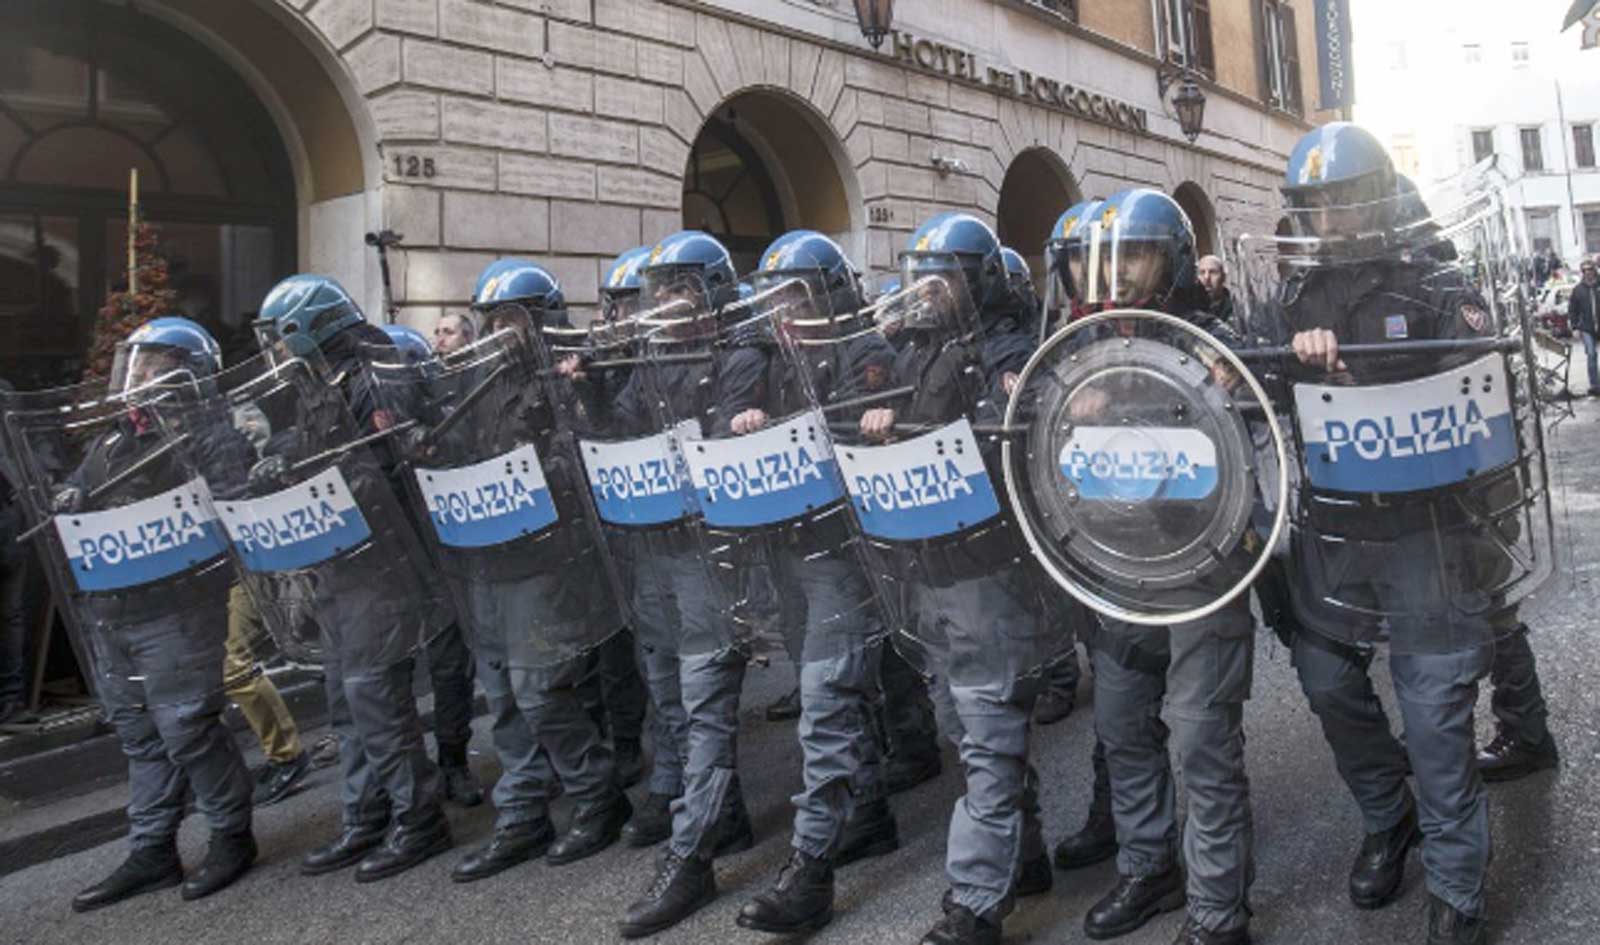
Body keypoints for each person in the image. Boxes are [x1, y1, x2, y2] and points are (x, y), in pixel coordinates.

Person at [1274, 122, 1509, 945]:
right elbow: (1261, 388)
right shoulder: (1293, 294)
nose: (1328, 219)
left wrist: (1359, 372)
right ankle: (1389, 814)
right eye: (1314, 206)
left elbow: (1483, 374)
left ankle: (1455, 880)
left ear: (1373, 198)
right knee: (1328, 681)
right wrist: (1289, 362)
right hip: (1336, 532)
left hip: (1425, 530)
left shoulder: (1435, 281)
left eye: (1341, 200)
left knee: (1435, 708)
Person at [858, 213, 1061, 945]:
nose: (924, 291)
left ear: (974, 280)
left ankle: (976, 900)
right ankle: (1025, 853)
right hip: (927, 565)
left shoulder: (1007, 347)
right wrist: (875, 389)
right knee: (961, 724)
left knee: (985, 729)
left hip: (988, 568)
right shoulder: (910, 349)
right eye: (920, 277)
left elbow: (1010, 430)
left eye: (940, 278)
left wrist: (917, 428)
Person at [1060, 191, 1257, 945]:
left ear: (1168, 259)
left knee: (1201, 734)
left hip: (1203, 566)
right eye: (1097, 261)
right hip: (1119, 564)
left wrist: (1219, 388)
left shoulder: (1214, 340)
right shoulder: (1078, 347)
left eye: (1132, 256)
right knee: (1120, 724)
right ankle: (1149, 866)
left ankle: (1217, 909)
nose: (1113, 274)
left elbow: (1258, 440)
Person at [10, 318, 259, 910]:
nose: (139, 375)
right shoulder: (120, 434)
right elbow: (84, 479)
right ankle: (153, 849)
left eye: (153, 365)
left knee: (188, 729)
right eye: (137, 364)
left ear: (186, 373)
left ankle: (231, 836)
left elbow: (233, 498)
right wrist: (68, 493)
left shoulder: (208, 433)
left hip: (177, 606)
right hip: (114, 607)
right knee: (141, 736)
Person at [730, 231, 906, 934]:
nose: (781, 311)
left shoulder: (866, 352)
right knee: (833, 691)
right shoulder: (767, 361)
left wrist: (876, 424)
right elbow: (727, 427)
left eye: (793, 297)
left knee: (827, 699)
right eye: (773, 300)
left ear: (825, 294)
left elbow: (890, 429)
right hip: (788, 552)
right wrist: (746, 421)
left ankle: (811, 869)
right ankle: (868, 814)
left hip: (846, 553)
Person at [582, 231, 756, 938]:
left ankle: (692, 857)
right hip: (654, 553)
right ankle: (729, 814)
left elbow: (721, 441)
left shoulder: (741, 356)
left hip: (713, 558)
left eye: (681, 289)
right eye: (661, 290)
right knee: (674, 703)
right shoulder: (651, 359)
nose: (665, 303)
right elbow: (619, 431)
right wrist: (592, 384)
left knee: (705, 703)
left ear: (710, 292)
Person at [258, 275, 452, 882]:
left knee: (376, 695)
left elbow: (396, 464)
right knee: (344, 698)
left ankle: (418, 819)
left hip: (383, 561)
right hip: (339, 561)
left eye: (281, 336)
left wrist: (323, 472)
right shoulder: (324, 381)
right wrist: (282, 459)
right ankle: (364, 816)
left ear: (310, 327)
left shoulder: (379, 372)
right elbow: (321, 443)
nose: (278, 350)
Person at [380, 323, 485, 808]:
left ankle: (453, 761)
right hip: (393, 564)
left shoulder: (446, 407)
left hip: (442, 558)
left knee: (448, 669)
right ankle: (402, 772)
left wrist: (426, 442)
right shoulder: (370, 417)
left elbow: (463, 447)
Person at [0, 376, 27, 726]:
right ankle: (11, 699)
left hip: (7, 513)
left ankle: (12, 699)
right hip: (9, 511)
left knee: (11, 613)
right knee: (10, 613)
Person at [1568, 257, 1600, 396]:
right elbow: (1572, 309)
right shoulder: (1578, 290)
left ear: (1595, 270)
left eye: (1590, 269)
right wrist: (1575, 327)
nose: (1588, 272)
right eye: (1585, 270)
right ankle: (1595, 385)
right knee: (1591, 354)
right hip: (1587, 327)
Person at [1196, 255, 1234, 322]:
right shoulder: (1191, 307)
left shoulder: (1234, 308)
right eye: (1202, 272)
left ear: (1223, 277)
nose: (1206, 277)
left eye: (1213, 272)